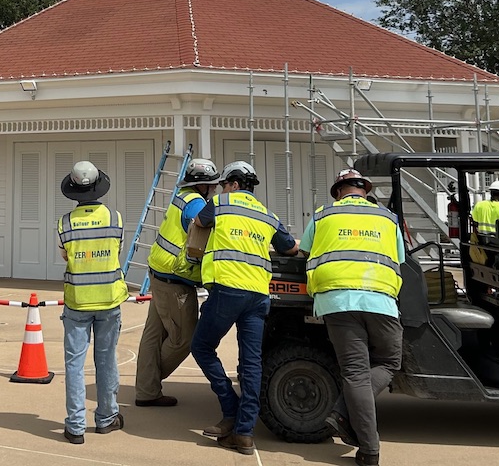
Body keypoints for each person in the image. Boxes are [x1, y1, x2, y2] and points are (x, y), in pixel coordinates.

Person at [190, 160, 298, 456]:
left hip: (227, 289)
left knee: (201, 347)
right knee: (251, 363)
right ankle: (245, 433)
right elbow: (289, 248)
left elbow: (199, 223)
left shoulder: (221, 204)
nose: (222, 189)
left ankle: (230, 407)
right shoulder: (268, 215)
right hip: (258, 296)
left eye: (224, 184)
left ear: (234, 184)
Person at [299, 169, 403, 466]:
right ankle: (343, 413)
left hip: (337, 299)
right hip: (381, 298)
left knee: (355, 374)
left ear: (338, 191)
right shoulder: (387, 217)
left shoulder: (323, 215)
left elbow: (303, 250)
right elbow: (400, 259)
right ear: (365, 191)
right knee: (388, 362)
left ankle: (369, 450)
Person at [134, 157, 219, 407]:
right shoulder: (196, 204)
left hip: (159, 273)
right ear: (202, 185)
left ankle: (146, 391)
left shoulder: (182, 195)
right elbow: (205, 225)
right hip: (175, 282)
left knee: (153, 335)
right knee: (185, 338)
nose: (214, 189)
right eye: (212, 185)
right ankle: (148, 384)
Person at [57, 161, 127, 445]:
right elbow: (117, 249)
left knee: (74, 364)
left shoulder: (64, 223)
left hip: (77, 302)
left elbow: (66, 256)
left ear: (73, 191)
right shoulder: (115, 218)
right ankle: (107, 417)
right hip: (109, 300)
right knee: (106, 359)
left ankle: (75, 426)